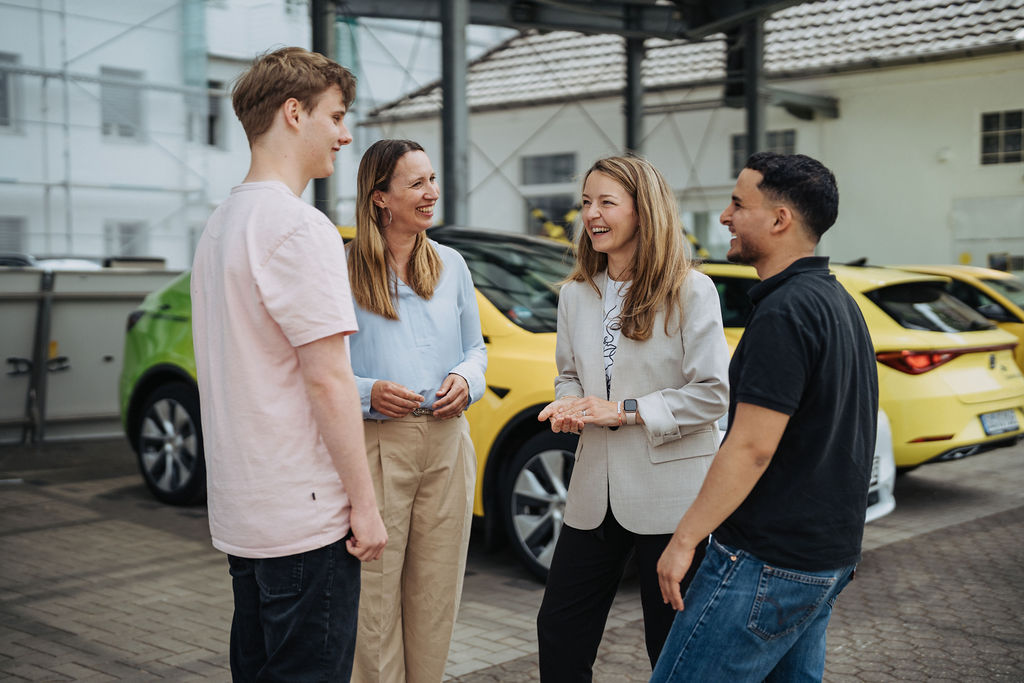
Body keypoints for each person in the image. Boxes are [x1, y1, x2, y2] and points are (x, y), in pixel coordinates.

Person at [190, 47, 387, 682]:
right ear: (294, 113)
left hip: (245, 513)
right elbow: (327, 379)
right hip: (305, 518)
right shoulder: (300, 228)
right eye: (337, 116)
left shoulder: (220, 225)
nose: (345, 135)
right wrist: (365, 505)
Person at [651, 152, 878, 682]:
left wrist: (684, 541)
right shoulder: (837, 301)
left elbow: (752, 447)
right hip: (824, 559)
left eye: (737, 204)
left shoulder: (785, 311)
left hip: (765, 563)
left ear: (780, 219)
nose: (725, 217)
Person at [535, 154, 730, 681]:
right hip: (592, 494)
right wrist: (570, 404)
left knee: (669, 643)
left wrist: (624, 411)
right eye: (585, 203)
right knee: (559, 631)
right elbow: (569, 375)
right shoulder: (575, 295)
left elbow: (713, 394)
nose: (591, 214)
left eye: (607, 202)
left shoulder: (692, 289)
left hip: (671, 497)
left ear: (644, 210)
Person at [346, 139, 487, 683]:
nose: (431, 193)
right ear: (380, 197)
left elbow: (475, 349)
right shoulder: (342, 269)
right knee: (374, 598)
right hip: (379, 444)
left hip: (449, 442)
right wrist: (369, 392)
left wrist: (466, 380)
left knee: (436, 593)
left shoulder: (452, 264)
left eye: (432, 180)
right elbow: (319, 370)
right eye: (416, 184)